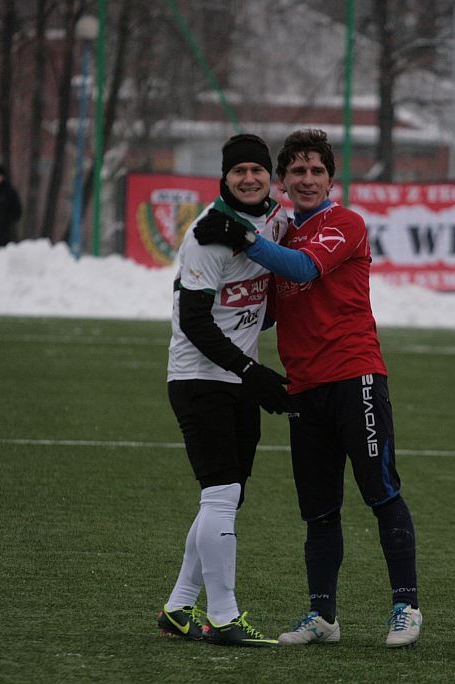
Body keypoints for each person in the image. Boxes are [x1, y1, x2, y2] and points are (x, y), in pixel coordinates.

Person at [194, 128, 422, 648]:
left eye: (316, 170)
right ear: (282, 181)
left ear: (330, 178)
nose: (307, 179)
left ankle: (405, 605)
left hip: (355, 377)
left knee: (381, 492)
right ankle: (323, 617)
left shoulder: (345, 223)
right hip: (303, 387)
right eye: (297, 171)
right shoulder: (278, 234)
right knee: (318, 510)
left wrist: (244, 237)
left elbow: (301, 268)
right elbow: (267, 310)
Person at [157, 133, 290, 648]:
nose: (250, 178)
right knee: (220, 494)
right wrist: (250, 371)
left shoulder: (269, 221)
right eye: (240, 172)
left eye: (258, 170)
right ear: (225, 177)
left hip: (238, 377)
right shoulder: (207, 235)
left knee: (226, 498)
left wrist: (249, 371)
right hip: (199, 378)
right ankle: (224, 617)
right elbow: (194, 319)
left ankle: (178, 608)